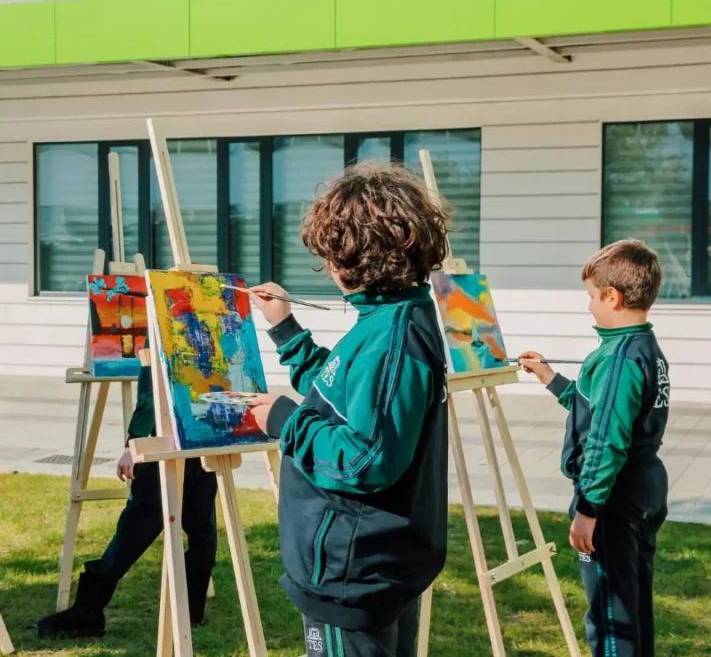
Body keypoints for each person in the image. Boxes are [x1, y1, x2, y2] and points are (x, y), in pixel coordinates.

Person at [247, 162, 450, 657]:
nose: (328, 266)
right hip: (367, 565)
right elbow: (339, 395)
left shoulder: (391, 340)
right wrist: (286, 330)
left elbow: (364, 458)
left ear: (356, 256)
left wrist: (284, 420)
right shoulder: (388, 319)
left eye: (330, 253)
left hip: (351, 572)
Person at [518, 238, 670, 657]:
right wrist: (550, 378)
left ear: (613, 296)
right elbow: (596, 409)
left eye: (590, 296)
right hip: (644, 485)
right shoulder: (642, 348)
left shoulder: (619, 357)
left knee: (609, 612)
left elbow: (606, 440)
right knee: (631, 602)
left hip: (614, 496)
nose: (588, 306)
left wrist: (587, 511)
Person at [35, 365, 218, 638]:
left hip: (164, 438)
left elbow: (150, 393)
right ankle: (192, 612)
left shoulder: (159, 324)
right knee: (200, 526)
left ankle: (88, 611)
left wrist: (133, 444)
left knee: (138, 524)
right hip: (206, 433)